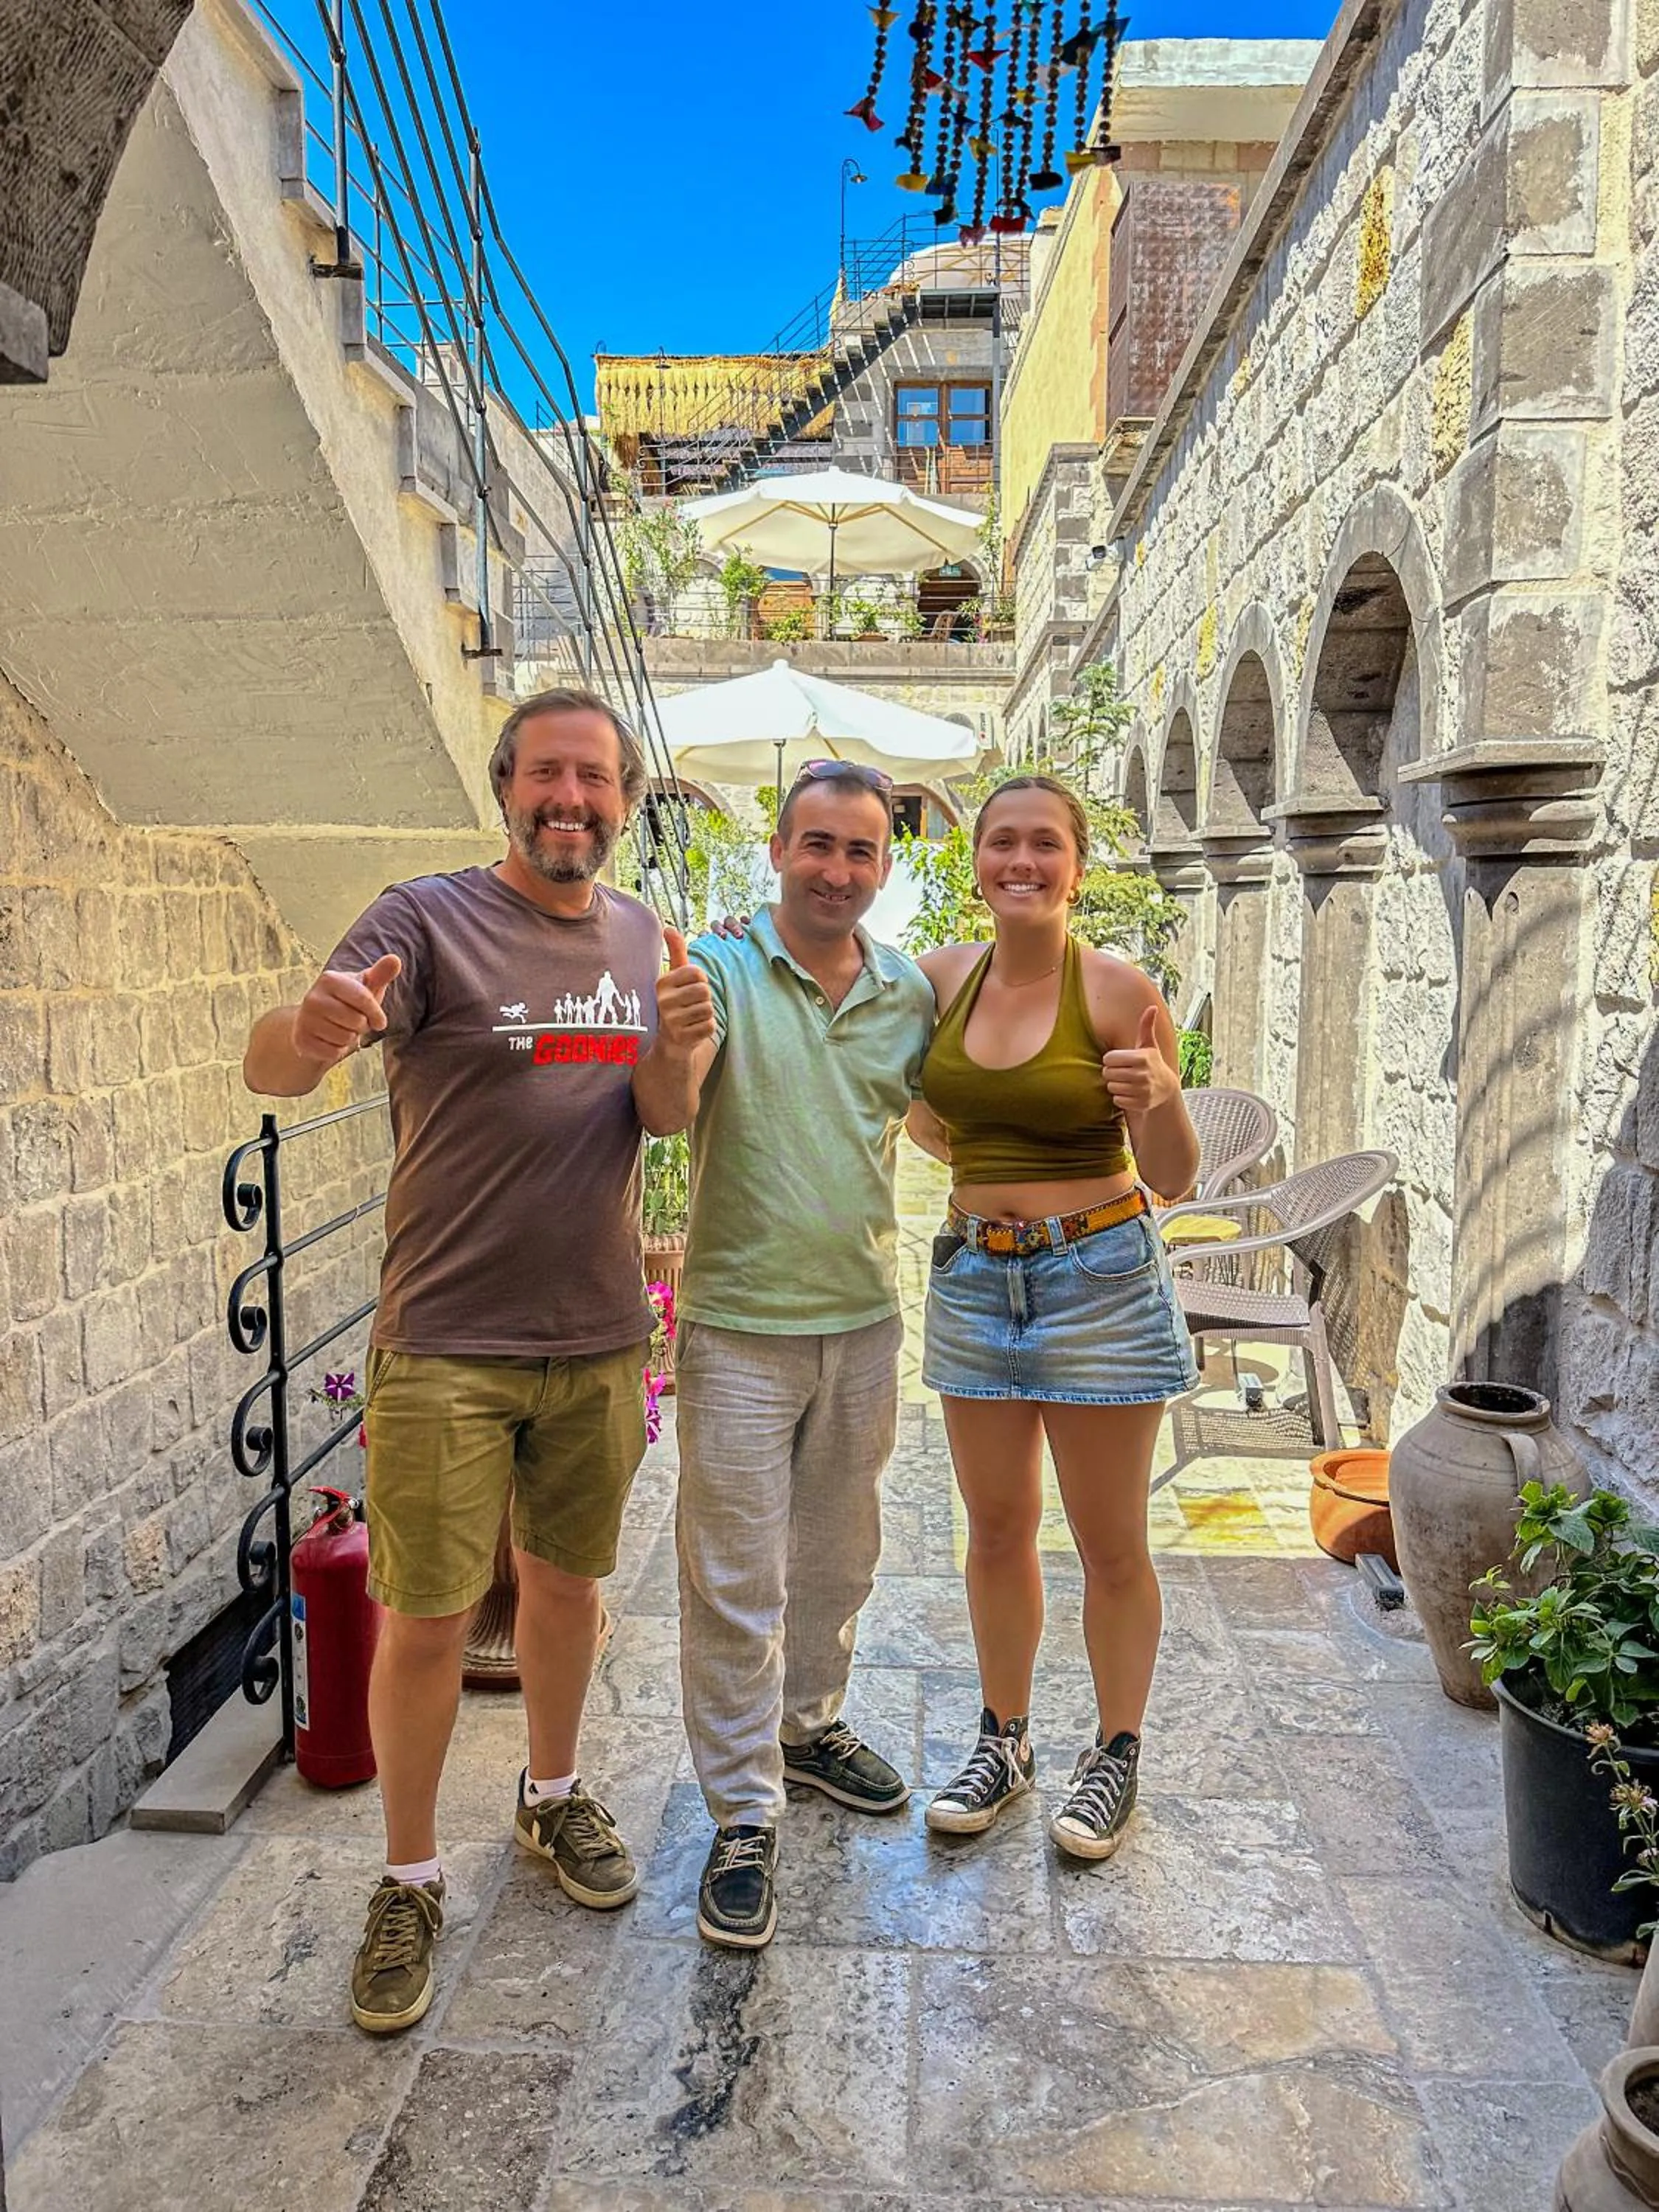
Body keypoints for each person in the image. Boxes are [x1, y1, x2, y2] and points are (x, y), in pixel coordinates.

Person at [242, 688, 715, 2033]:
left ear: (623, 801)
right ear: (507, 790)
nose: (572, 801)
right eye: (548, 778)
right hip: (445, 1337)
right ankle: (407, 1875)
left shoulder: (637, 933)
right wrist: (314, 1026)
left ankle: (551, 1799)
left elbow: (659, 1118)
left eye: (597, 781)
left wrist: (680, 1049)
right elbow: (274, 1063)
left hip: (601, 1332)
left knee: (566, 1593)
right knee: (430, 1617)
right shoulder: (424, 917)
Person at [641, 761, 935, 1949]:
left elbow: (942, 1127)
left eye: (860, 852)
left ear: (883, 867)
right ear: (776, 850)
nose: (836, 870)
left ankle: (807, 1730)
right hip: (738, 1329)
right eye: (817, 845)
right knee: (731, 1579)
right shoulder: (713, 971)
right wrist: (670, 1040)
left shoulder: (908, 990)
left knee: (838, 1557)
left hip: (863, 1322)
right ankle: (741, 1813)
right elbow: (667, 1110)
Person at [906, 773, 1200, 1860]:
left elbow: (1170, 1177)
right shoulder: (937, 983)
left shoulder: (1121, 992)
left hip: (1100, 1282)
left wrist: (1162, 1099)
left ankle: (1113, 1754)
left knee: (1110, 1541)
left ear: (1077, 867)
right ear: (973, 860)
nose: (1019, 863)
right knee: (991, 1530)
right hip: (977, 1280)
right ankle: (1006, 1740)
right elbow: (929, 1123)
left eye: (1043, 845)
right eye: (999, 843)